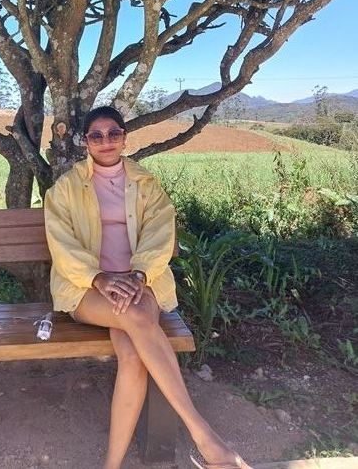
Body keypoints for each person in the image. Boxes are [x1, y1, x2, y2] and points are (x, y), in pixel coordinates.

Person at [44, 106, 251, 469]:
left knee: (133, 355)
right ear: (86, 142)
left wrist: (137, 276)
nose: (106, 141)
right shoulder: (65, 188)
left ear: (124, 138)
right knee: (139, 317)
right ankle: (206, 439)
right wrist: (100, 279)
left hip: (142, 281)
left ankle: (111, 465)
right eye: (96, 135)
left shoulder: (146, 183)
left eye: (114, 133)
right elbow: (62, 245)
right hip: (87, 288)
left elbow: (160, 235)